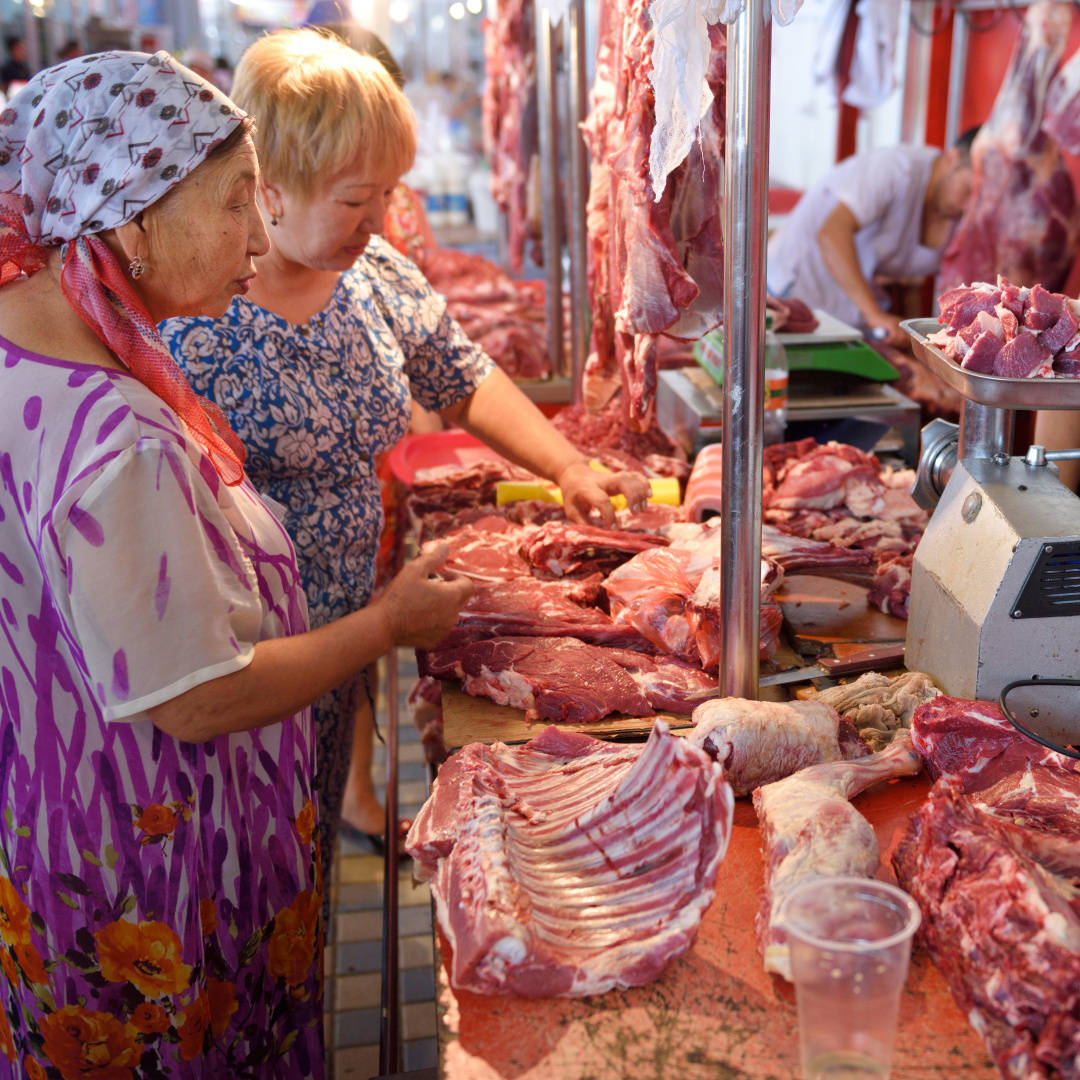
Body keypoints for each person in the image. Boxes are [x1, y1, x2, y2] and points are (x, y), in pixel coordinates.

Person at [0, 50, 468, 1075]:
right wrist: (385, 626)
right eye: (231, 207)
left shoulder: (32, 349)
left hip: (59, 829)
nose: (258, 237)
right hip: (149, 882)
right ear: (132, 222)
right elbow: (197, 700)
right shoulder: (111, 437)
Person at [162, 28, 647, 884]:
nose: (378, 222)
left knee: (297, 886)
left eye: (387, 195)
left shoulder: (376, 273)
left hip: (336, 659)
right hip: (230, 672)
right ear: (269, 189)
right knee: (222, 880)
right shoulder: (188, 300)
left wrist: (568, 464)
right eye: (355, 200)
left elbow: (460, 377)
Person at [767, 130, 978, 348]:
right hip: (795, 285)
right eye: (968, 189)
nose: (969, 207)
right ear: (952, 158)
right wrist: (874, 314)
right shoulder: (895, 168)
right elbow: (831, 234)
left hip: (850, 308)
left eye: (981, 198)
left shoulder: (967, 216)